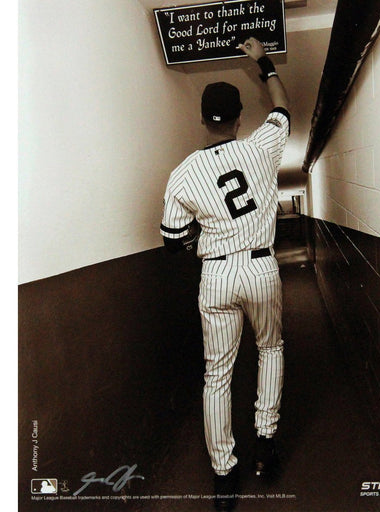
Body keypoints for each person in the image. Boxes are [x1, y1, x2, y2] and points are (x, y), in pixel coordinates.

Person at [160, 37, 290, 511]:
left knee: (217, 375)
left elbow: (174, 240)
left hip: (215, 275)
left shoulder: (181, 175)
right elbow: (283, 106)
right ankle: (266, 441)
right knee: (270, 348)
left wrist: (206, 243)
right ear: (238, 119)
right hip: (260, 267)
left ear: (202, 120)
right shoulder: (262, 148)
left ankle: (223, 476)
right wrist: (262, 62)